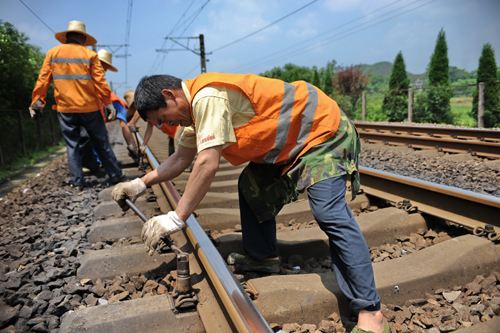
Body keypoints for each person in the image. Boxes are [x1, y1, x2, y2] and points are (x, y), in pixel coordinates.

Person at [111, 73, 388, 333]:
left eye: (162, 118)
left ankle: (371, 312)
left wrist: (176, 217)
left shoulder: (208, 97)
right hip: (291, 147)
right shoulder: (192, 119)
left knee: (328, 212)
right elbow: (180, 159)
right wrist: (140, 184)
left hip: (322, 132)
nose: (163, 126)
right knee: (251, 187)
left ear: (169, 95)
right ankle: (263, 256)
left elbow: (207, 163)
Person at [29, 20, 123, 188]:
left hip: (66, 109)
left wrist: (37, 102)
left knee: (72, 145)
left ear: (67, 37)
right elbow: (100, 82)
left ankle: (78, 181)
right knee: (101, 142)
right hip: (90, 108)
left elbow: (43, 80)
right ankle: (115, 175)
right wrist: (108, 103)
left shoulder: (53, 53)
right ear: (83, 38)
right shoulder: (90, 56)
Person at [96, 49, 138, 159]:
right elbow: (124, 126)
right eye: (105, 66)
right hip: (105, 103)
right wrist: (132, 146)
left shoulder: (94, 73)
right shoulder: (120, 105)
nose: (105, 70)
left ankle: (96, 159)